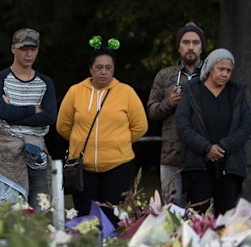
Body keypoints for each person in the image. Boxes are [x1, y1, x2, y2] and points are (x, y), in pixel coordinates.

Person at [56, 36, 148, 224]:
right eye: (99, 67)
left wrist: (118, 142)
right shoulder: (75, 91)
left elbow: (140, 126)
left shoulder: (127, 92)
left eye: (108, 67)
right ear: (91, 69)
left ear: (114, 69)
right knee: (85, 219)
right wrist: (79, 141)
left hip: (118, 167)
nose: (104, 72)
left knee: (112, 218)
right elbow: (63, 126)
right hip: (83, 168)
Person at [0, 28, 57, 211]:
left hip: (36, 151)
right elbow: (2, 112)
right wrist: (33, 109)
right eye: (24, 48)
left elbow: (49, 117)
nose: (29, 54)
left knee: (40, 212)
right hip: (4, 152)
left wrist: (13, 112)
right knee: (6, 212)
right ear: (13, 48)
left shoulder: (45, 82)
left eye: (33, 49)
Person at [175, 48, 251, 215]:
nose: (224, 74)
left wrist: (222, 147)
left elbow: (245, 127)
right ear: (209, 68)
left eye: (228, 70)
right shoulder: (192, 91)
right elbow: (182, 125)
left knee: (226, 220)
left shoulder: (236, 93)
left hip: (229, 165)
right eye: (221, 69)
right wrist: (206, 148)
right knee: (196, 218)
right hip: (198, 165)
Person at [147, 22, 206, 206]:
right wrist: (169, 103)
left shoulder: (211, 75)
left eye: (195, 43)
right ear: (178, 47)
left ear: (202, 47)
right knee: (172, 213)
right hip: (172, 155)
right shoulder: (165, 76)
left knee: (202, 214)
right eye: (186, 42)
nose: (190, 47)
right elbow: (151, 111)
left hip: (204, 155)